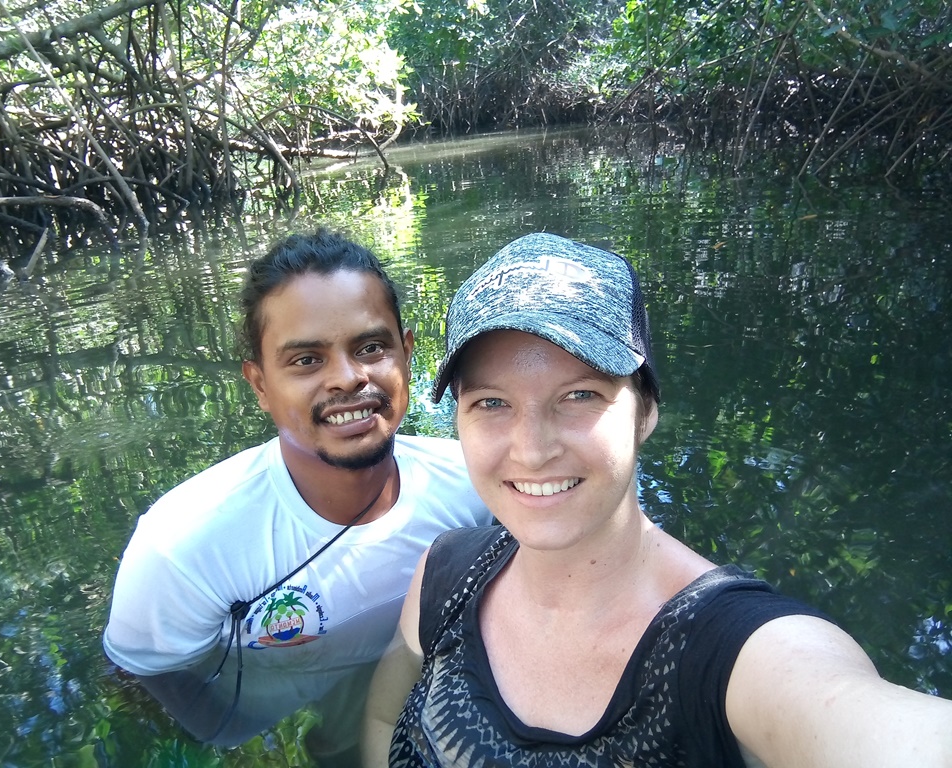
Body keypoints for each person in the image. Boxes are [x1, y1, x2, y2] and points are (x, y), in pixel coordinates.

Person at [362, 232, 952, 768]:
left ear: (646, 411)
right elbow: (384, 716)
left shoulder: (726, 651)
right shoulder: (446, 572)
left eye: (579, 395)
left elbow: (859, 718)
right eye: (491, 403)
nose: (532, 450)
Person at [102, 229, 491, 763]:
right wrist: (234, 743)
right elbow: (143, 685)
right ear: (260, 384)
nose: (348, 378)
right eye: (306, 360)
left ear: (407, 351)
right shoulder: (185, 544)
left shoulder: (475, 487)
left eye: (371, 347)